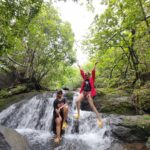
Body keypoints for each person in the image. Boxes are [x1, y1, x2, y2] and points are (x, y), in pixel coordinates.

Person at [74, 62, 103, 128]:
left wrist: (95, 65)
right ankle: (78, 114)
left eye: (86, 75)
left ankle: (100, 120)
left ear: (89, 75)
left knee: (92, 106)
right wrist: (79, 66)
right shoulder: (84, 79)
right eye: (85, 75)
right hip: (84, 92)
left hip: (89, 93)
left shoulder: (92, 79)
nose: (85, 76)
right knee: (77, 101)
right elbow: (82, 72)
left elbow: (93, 72)